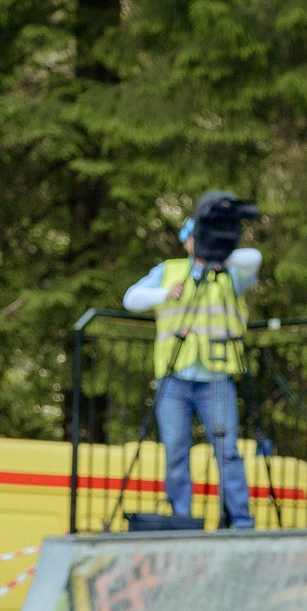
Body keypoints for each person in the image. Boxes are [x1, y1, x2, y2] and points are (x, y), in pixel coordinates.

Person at [122, 191, 262, 530]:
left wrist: (220, 254)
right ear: (186, 242)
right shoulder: (168, 272)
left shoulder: (229, 273)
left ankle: (240, 520)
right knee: (176, 451)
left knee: (227, 451)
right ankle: (181, 518)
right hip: (175, 377)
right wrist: (163, 295)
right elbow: (131, 298)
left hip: (216, 375)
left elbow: (254, 258)